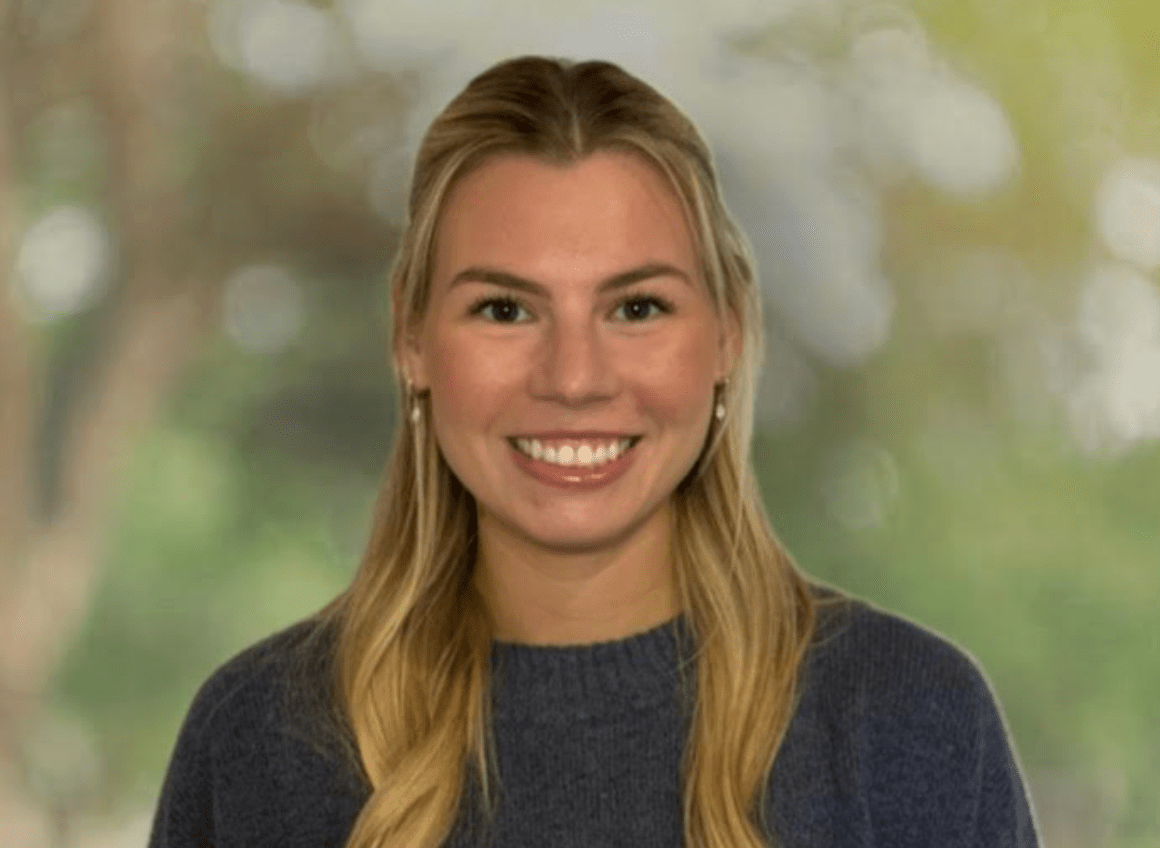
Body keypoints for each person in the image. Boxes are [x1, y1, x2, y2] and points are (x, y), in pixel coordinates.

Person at [148, 55, 1041, 848]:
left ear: (727, 333)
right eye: (504, 310)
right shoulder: (260, 740)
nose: (574, 379)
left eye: (637, 308)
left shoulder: (914, 720)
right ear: (411, 340)